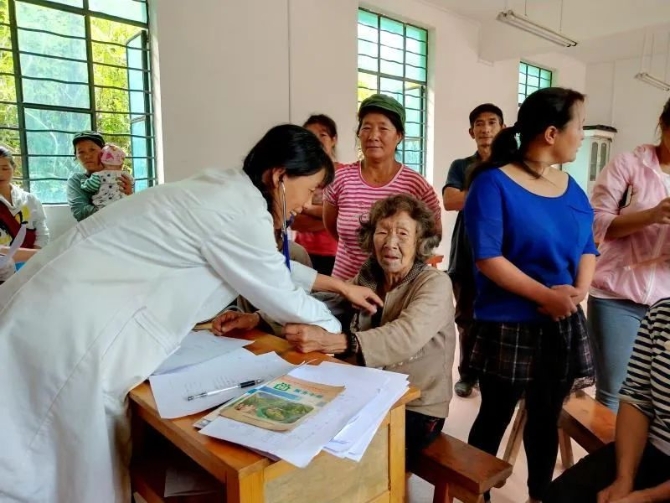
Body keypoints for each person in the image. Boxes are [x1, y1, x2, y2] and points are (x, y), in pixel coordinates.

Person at [0, 125, 383, 503]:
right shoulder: (238, 213)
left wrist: (341, 286)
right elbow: (281, 293)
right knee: (61, 463)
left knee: (52, 455)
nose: (308, 202)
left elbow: (270, 266)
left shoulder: (227, 191)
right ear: (280, 176)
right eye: (311, 189)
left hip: (52, 309)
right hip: (69, 331)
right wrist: (337, 336)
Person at [463, 87, 598, 503]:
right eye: (579, 126)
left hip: (561, 322)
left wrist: (578, 291)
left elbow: (587, 245)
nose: (582, 135)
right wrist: (545, 295)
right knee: (495, 416)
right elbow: (488, 257)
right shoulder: (493, 183)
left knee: (545, 418)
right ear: (552, 133)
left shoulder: (570, 186)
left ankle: (540, 496)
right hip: (508, 325)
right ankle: (475, 493)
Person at [281, 194, 456, 459]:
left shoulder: (434, 283)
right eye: (382, 231)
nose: (390, 242)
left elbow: (404, 337)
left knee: (337, 455)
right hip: (368, 390)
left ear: (420, 241)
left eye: (402, 234)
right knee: (301, 427)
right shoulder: (370, 275)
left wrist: (335, 342)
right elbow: (327, 302)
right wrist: (258, 318)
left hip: (416, 407)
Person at [587, 97, 670, 412]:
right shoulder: (628, 165)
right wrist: (652, 215)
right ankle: (609, 446)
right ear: (663, 124)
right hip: (616, 296)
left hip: (666, 303)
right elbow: (597, 223)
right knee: (615, 392)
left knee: (659, 394)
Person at [545, 298, 670, 503]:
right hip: (653, 447)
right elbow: (637, 397)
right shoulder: (662, 314)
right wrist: (624, 478)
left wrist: (648, 497)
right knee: (562, 495)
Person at [323, 94, 442, 280]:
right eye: (366, 128)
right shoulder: (340, 179)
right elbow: (331, 227)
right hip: (344, 284)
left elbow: (433, 234)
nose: (373, 136)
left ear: (399, 136)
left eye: (383, 128)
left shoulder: (415, 185)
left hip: (395, 288)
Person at [443, 103, 505, 399]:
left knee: (501, 318)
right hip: (466, 254)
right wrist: (493, 194)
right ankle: (467, 375)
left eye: (492, 122)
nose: (485, 129)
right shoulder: (461, 166)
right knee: (466, 319)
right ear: (471, 132)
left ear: (503, 128)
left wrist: (474, 195)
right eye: (479, 124)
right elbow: (450, 201)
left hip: (505, 254)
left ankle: (495, 374)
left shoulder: (513, 165)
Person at [291, 114, 340, 275]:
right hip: (303, 252)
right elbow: (294, 222)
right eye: (311, 136)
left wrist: (308, 209)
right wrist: (331, 216)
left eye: (323, 135)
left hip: (335, 255)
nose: (317, 140)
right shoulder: (299, 175)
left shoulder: (344, 174)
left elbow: (345, 217)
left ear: (334, 139)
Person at [67, 131, 134, 221]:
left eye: (92, 150)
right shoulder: (77, 180)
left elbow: (132, 208)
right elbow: (80, 212)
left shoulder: (120, 176)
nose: (87, 156)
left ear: (104, 152)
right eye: (81, 152)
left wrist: (130, 195)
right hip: (95, 228)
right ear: (76, 156)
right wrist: (116, 211)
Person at [0, 146, 49, 266]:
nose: (0, 174)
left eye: (5, 168)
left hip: (31, 264)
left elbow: (42, 232)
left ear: (14, 168)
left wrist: (34, 260)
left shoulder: (30, 200)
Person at [80, 143, 134, 210]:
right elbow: (132, 182)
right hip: (123, 205)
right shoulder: (125, 174)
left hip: (104, 207)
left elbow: (92, 186)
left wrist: (84, 183)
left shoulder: (99, 175)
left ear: (102, 161)